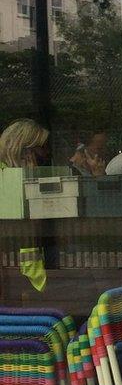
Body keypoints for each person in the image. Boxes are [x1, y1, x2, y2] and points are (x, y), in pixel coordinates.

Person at [0, 118, 50, 292]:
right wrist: (28, 177)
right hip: (16, 262)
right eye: (39, 149)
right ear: (23, 150)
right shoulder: (6, 175)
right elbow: (22, 214)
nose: (44, 154)